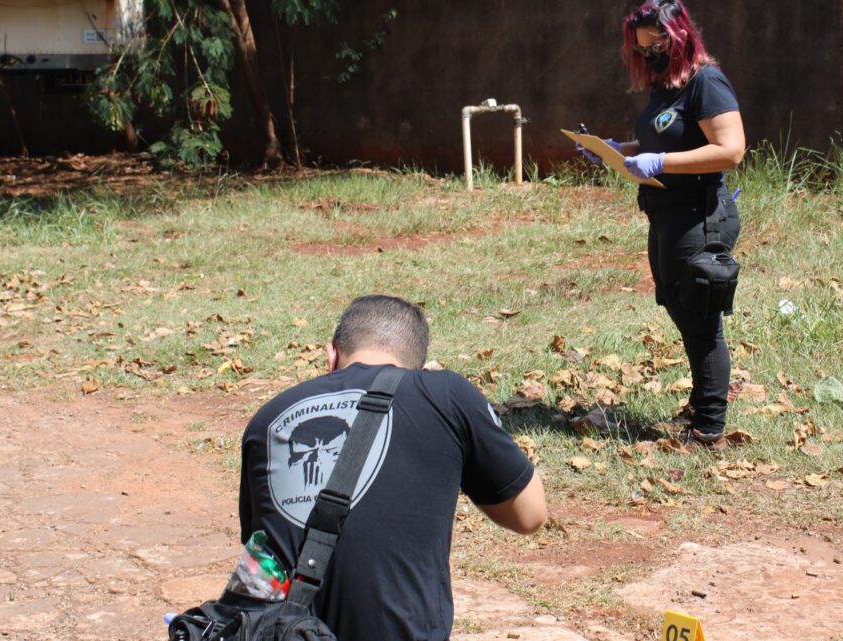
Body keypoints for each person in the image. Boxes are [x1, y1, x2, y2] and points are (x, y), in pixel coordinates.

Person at [238, 294, 547, 641]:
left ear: (331, 355)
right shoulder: (444, 395)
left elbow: (262, 557)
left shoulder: (267, 418)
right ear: (418, 367)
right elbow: (530, 514)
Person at [579, 0, 746, 451]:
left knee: (700, 318)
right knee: (678, 305)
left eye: (657, 43)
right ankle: (698, 406)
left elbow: (731, 150)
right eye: (642, 47)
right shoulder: (666, 87)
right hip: (666, 213)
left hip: (701, 216)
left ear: (681, 35)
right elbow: (664, 141)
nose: (651, 53)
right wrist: (619, 149)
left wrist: (661, 161)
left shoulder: (706, 82)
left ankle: (709, 427)